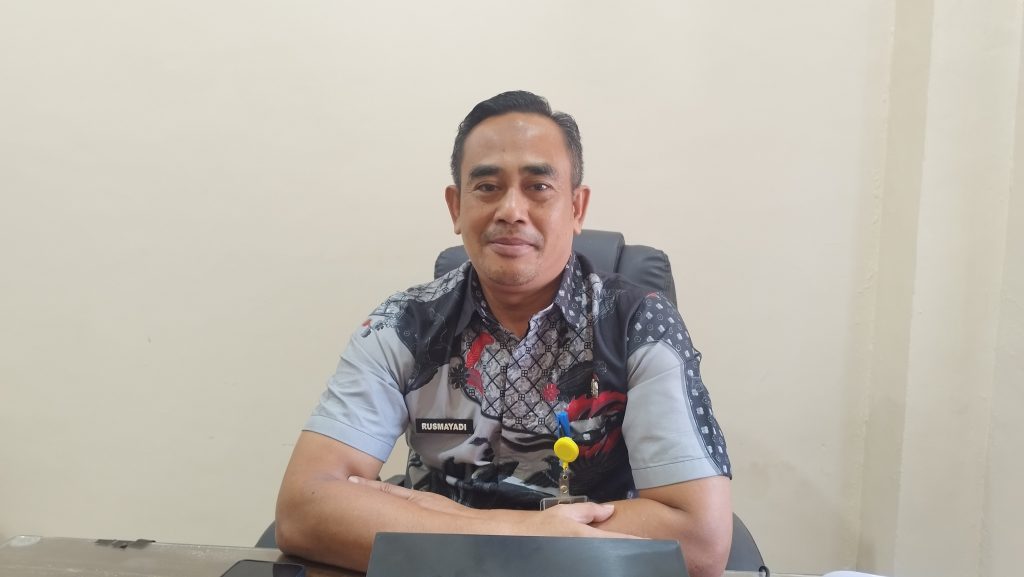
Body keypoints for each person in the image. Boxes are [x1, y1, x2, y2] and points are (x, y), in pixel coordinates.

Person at [275, 91, 733, 577]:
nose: (511, 210)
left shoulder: (639, 324)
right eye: (488, 187)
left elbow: (698, 539)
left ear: (576, 207)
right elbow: (304, 508)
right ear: (456, 207)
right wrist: (525, 532)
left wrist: (443, 520)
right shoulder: (404, 324)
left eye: (538, 187)